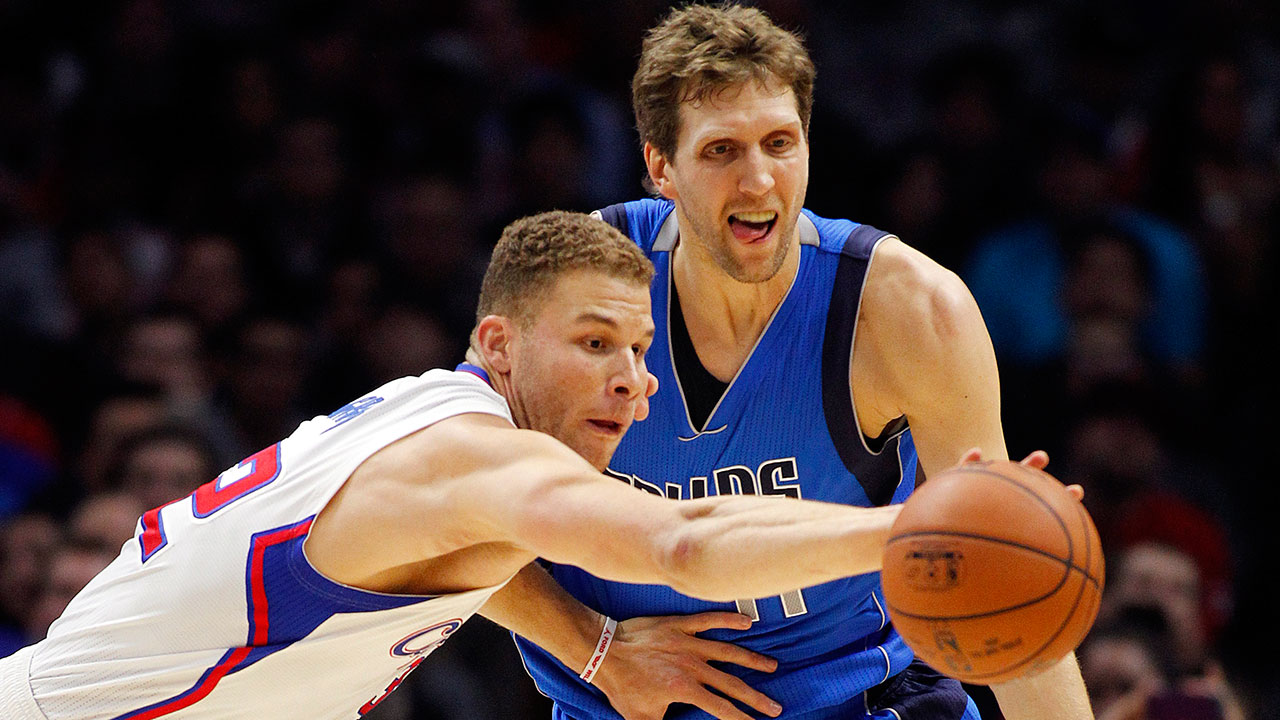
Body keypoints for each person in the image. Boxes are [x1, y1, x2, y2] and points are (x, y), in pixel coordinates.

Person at [0, 211, 927, 720]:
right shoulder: (473, 461)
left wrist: (594, 648)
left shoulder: (435, 433)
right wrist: (915, 528)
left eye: (641, 350)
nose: (632, 381)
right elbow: (683, 544)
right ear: (500, 343)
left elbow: (473, 564)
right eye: (595, 343)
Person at [508, 6, 1095, 720]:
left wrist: (1019, 541)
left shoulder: (907, 310)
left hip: (856, 699)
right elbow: (446, 512)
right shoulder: (573, 285)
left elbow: (1001, 579)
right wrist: (595, 650)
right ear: (662, 167)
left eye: (779, 143)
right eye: (722, 150)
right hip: (623, 699)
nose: (759, 180)